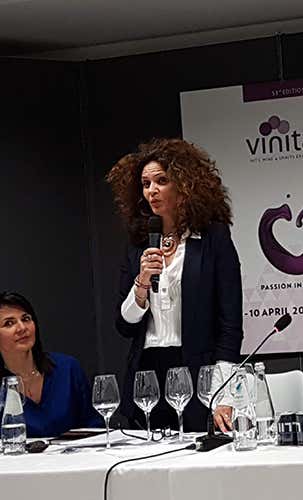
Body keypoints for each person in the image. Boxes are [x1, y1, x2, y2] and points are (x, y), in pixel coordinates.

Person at [106, 138, 243, 433]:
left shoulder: (213, 239)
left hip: (197, 369)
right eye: (145, 184)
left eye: (161, 181)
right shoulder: (138, 246)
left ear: (185, 186)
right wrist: (142, 283)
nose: (151, 191)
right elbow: (124, 325)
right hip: (147, 372)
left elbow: (230, 325)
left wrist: (223, 393)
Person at [0, 291, 102, 437]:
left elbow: (95, 426)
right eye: (9, 323)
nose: (22, 328)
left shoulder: (67, 368)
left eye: (26, 319)